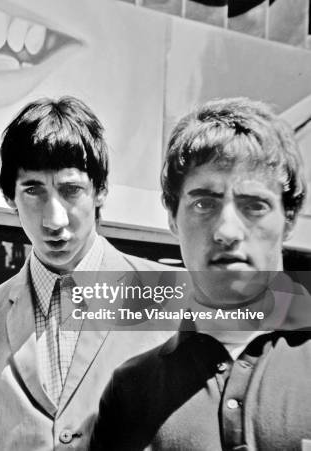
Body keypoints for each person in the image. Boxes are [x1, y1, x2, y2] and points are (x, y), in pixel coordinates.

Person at [89, 97, 311, 450]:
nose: (227, 230)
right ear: (173, 219)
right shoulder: (129, 391)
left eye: (254, 205)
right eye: (204, 203)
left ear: (288, 219)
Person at [0, 96, 173, 450]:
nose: (54, 219)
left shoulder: (168, 296)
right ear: (10, 197)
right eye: (33, 190)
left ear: (100, 191)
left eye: (71, 190)